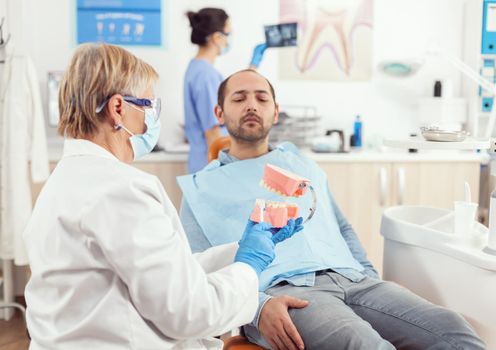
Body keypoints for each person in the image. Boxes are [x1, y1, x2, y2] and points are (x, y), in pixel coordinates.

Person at [177, 69, 486, 350]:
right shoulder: (200, 189)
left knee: (454, 331)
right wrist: (257, 310)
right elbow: (197, 273)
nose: (252, 105)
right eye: (239, 98)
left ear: (275, 111)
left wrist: (370, 276)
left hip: (353, 280)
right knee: (366, 345)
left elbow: (343, 229)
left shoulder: (302, 166)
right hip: (284, 294)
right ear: (219, 112)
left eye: (261, 98)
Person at [23, 44, 302, 350]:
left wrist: (239, 249)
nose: (150, 120)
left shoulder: (66, 180)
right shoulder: (120, 190)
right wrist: (250, 264)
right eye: (149, 106)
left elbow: (163, 269)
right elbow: (191, 311)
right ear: (118, 109)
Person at [184, 8, 268, 173]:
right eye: (229, 32)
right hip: (211, 166)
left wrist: (253, 66)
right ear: (217, 37)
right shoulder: (206, 75)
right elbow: (213, 132)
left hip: (203, 162)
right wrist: (225, 172)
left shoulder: (197, 68)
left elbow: (233, 92)